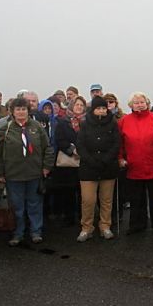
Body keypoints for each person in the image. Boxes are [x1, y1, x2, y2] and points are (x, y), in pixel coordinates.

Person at [0, 97, 53, 246]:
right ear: (12, 112)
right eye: (18, 109)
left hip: (34, 174)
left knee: (35, 204)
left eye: (24, 109)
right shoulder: (5, 130)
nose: (21, 112)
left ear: (28, 111)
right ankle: (18, 233)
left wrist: (46, 167)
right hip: (13, 175)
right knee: (17, 206)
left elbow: (48, 149)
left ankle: (35, 232)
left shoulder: (37, 127)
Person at [118, 92, 153, 234]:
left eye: (142, 102)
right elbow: (119, 144)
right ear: (131, 105)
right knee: (136, 200)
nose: (139, 104)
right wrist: (120, 159)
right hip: (133, 167)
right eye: (136, 102)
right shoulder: (123, 121)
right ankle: (137, 225)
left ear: (147, 103)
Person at [75, 96, 121, 242]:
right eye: (98, 108)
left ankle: (105, 226)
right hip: (89, 168)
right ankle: (86, 227)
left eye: (103, 108)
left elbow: (116, 143)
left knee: (106, 200)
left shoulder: (113, 123)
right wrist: (91, 160)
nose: (101, 111)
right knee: (88, 200)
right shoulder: (85, 124)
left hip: (108, 167)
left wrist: (106, 159)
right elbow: (80, 145)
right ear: (93, 109)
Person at [52, 96, 87, 227]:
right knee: (68, 191)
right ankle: (69, 217)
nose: (79, 107)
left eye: (81, 105)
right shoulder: (62, 122)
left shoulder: (88, 122)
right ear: (71, 106)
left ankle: (83, 217)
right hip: (68, 162)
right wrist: (72, 149)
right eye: (77, 104)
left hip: (84, 162)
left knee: (83, 192)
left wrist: (83, 150)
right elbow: (59, 139)